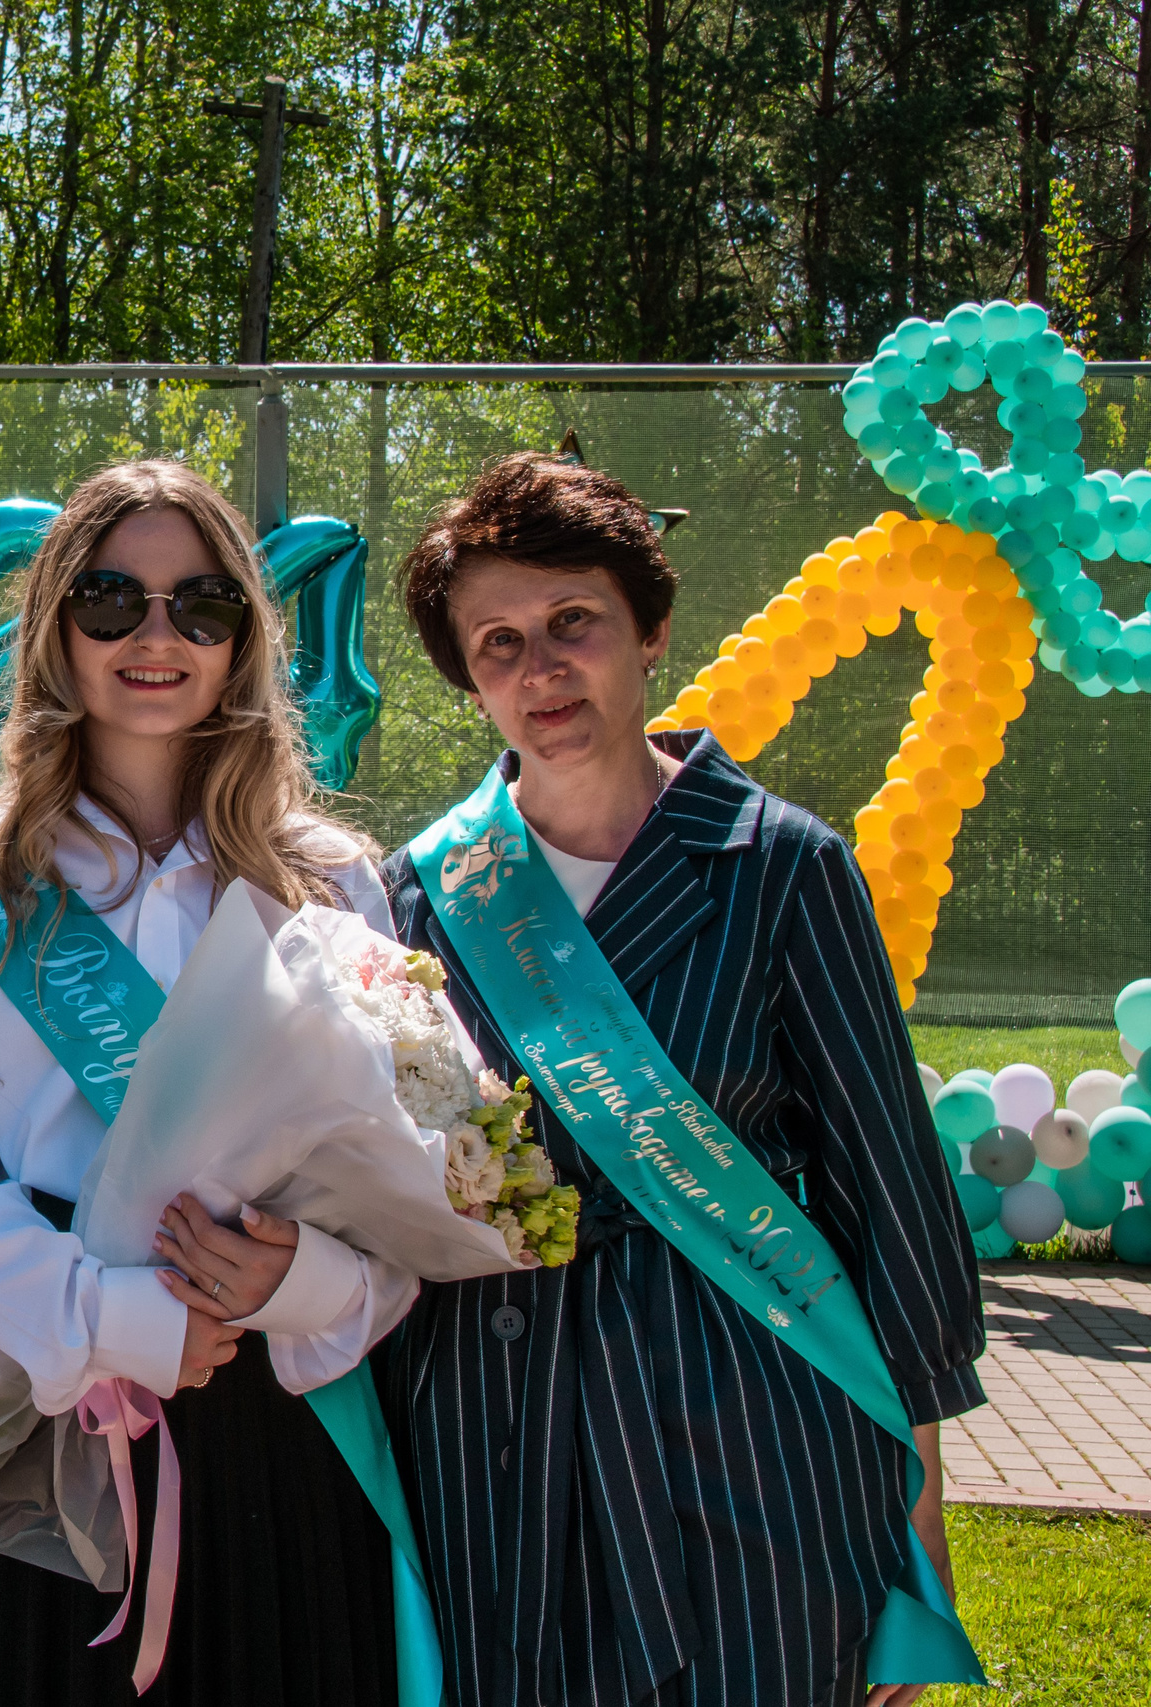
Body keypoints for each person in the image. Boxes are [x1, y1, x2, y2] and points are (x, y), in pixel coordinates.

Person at [381, 451, 985, 1707]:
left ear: (649, 631)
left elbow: (890, 1188)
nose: (538, 669)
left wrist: (916, 1536)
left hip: (747, 1420)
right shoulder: (419, 893)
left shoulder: (782, 867)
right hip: (500, 1431)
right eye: (495, 643)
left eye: (571, 623)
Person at [0, 458, 418, 1707]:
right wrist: (112, 1318)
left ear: (242, 642)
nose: (157, 637)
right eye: (111, 601)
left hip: (278, 1421)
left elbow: (400, 1183)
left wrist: (307, 1280)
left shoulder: (334, 885)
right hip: (33, 1402)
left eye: (200, 606)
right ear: (52, 628)